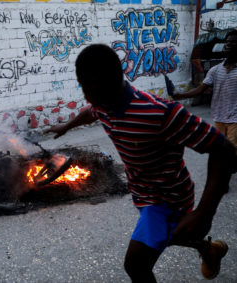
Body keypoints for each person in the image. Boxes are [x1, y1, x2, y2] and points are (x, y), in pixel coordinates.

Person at [44, 44, 237, 282]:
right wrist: (66, 127)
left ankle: (207, 247)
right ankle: (211, 250)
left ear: (102, 84)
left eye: (85, 86)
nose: (84, 94)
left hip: (167, 200)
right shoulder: (103, 104)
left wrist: (205, 213)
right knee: (173, 234)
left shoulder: (160, 113)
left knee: (136, 265)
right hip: (142, 193)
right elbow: (90, 112)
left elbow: (224, 149)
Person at [173, 29, 237, 148]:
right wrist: (180, 95)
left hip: (235, 120)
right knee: (221, 150)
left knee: (232, 150)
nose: (229, 45)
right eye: (228, 42)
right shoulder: (215, 70)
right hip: (219, 117)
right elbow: (200, 89)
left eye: (234, 42)